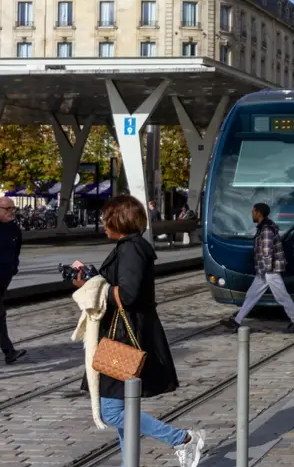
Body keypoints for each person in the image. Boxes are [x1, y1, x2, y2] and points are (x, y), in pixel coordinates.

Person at [73, 195, 205, 466]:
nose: (102, 222)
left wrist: (96, 288)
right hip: (126, 332)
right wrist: (91, 279)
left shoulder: (131, 248)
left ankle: (183, 439)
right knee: (122, 407)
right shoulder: (130, 246)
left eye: (105, 217)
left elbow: (129, 294)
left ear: (117, 219)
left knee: (112, 411)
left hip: (126, 336)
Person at [222, 203, 294, 333]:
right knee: (251, 295)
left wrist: (265, 271)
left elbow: (266, 252)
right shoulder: (265, 227)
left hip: (270, 270)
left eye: (253, 211)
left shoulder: (266, 229)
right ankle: (236, 321)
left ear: (259, 213)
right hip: (264, 270)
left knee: (281, 296)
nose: (251, 214)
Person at [0, 196, 26, 365]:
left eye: (12, 209)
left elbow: (17, 250)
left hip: (4, 278)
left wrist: (13, 267)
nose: (11, 212)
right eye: (6, 209)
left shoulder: (14, 229)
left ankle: (9, 351)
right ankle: (9, 351)